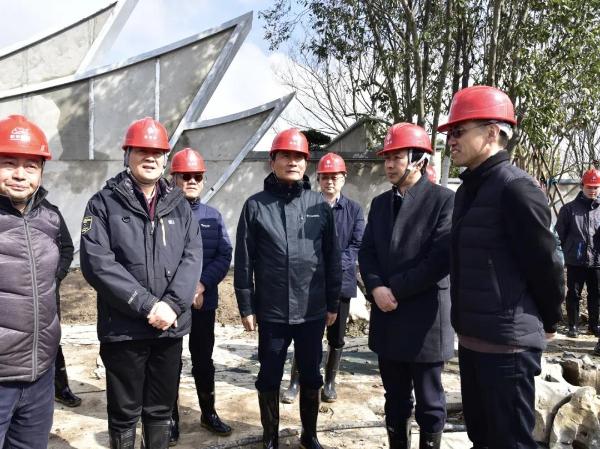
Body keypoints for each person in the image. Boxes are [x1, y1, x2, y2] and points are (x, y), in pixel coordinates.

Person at [439, 86, 564, 449]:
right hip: (473, 339)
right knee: (481, 438)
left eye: (458, 131)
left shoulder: (516, 189)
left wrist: (550, 319)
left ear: (492, 132)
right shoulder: (468, 190)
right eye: (449, 133)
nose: (450, 141)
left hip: (507, 347)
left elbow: (546, 264)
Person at [80, 117, 203, 449]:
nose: (150, 158)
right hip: (124, 329)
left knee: (160, 411)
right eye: (142, 151)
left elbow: (193, 257)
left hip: (169, 329)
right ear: (128, 154)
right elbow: (97, 263)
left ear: (165, 158)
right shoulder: (102, 204)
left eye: (157, 152)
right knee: (124, 414)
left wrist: (172, 305)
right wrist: (148, 305)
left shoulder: (180, 205)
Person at [234, 128, 342, 449]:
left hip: (312, 310)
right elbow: (244, 260)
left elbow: (332, 258)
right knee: (269, 376)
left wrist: (332, 303)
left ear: (306, 163)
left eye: (299, 157)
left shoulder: (318, 205)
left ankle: (310, 435)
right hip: (272, 311)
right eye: (286, 156)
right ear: (273, 161)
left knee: (311, 375)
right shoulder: (255, 206)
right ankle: (270, 438)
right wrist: (246, 306)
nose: (293, 162)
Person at [358, 123, 454, 449]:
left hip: (425, 320)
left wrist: (393, 290)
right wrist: (375, 287)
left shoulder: (443, 201)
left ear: (419, 160)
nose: (389, 165)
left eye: (396, 157)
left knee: (430, 403)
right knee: (395, 398)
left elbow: (439, 260)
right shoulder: (380, 204)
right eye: (386, 158)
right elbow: (367, 252)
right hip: (388, 318)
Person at [281, 152, 364, 405]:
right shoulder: (307, 206)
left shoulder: (354, 210)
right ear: (318, 179)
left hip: (341, 284)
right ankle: (296, 382)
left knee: (336, 337)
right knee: (306, 335)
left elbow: (356, 244)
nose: (329, 182)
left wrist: (334, 267)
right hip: (310, 284)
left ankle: (329, 382)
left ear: (343, 178)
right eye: (325, 177)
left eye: (334, 177)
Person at [0, 115, 61, 449]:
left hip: (40, 375)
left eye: (30, 166)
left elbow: (63, 256)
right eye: (9, 163)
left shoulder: (48, 217)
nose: (20, 174)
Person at [169, 147, 233, 445]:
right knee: (170, 361)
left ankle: (208, 413)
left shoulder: (213, 217)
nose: (192, 181)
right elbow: (160, 260)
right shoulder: (163, 215)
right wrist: (184, 291)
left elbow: (224, 254)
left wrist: (201, 285)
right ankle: (170, 419)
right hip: (171, 304)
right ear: (174, 179)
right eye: (186, 176)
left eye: (197, 176)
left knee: (203, 359)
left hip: (204, 303)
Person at [555, 168, 600, 338]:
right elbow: (560, 234)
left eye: (596, 187)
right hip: (576, 259)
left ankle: (594, 325)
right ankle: (572, 326)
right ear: (582, 186)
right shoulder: (569, 209)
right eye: (589, 187)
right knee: (574, 294)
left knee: (596, 294)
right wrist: (570, 250)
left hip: (597, 260)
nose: (593, 190)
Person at [53, 206, 83, 408]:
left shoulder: (50, 212)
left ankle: (60, 388)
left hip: (44, 294)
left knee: (51, 339)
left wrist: (56, 277)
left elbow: (66, 248)